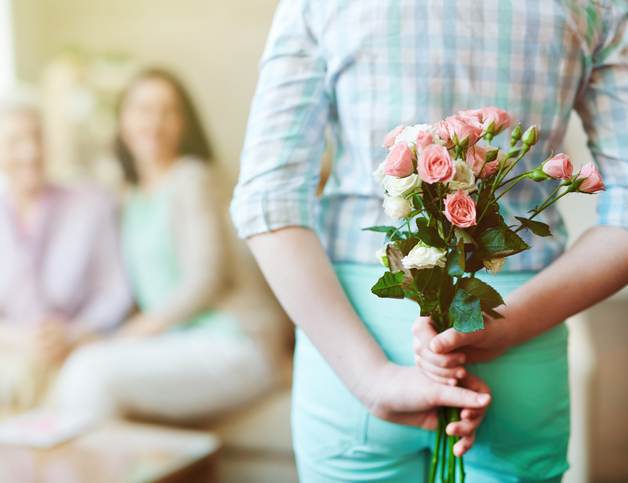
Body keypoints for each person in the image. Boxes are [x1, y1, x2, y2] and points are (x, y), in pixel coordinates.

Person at [230, 1, 628, 482]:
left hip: (350, 342)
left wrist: (370, 379)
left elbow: (266, 199)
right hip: (518, 346)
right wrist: (505, 327)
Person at [51, 69, 287, 422]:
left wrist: (130, 335)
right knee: (80, 365)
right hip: (178, 343)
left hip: (234, 341)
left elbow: (204, 281)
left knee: (91, 371)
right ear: (122, 120)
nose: (155, 122)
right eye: (143, 110)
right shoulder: (129, 196)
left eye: (168, 112)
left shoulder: (191, 177)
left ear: (184, 124)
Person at [0, 92, 132, 408]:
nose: (30, 152)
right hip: (3, 349)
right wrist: (19, 340)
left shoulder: (91, 206)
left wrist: (72, 334)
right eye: (15, 141)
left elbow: (116, 293)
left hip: (74, 345)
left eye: (36, 137)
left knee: (71, 382)